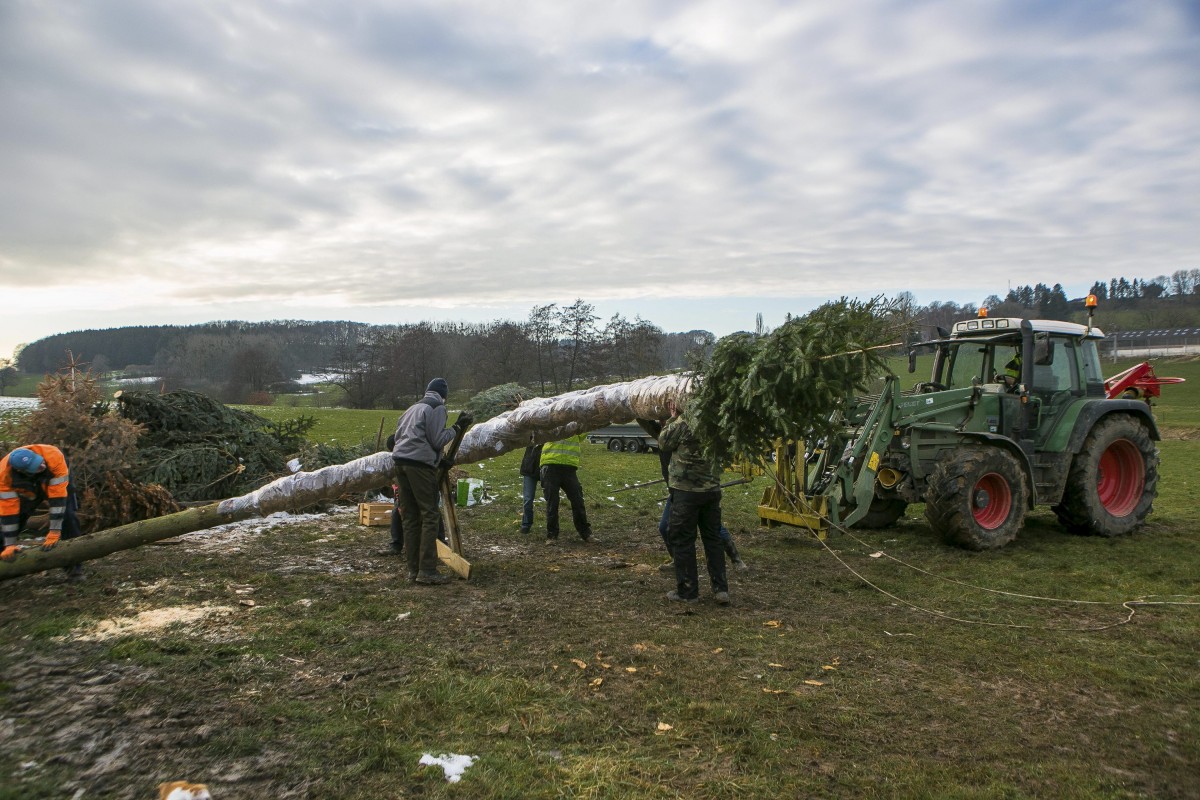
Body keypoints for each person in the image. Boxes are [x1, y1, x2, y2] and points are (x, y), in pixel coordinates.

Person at [636, 418, 745, 570]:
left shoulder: (680, 432)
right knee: (665, 527)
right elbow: (645, 422)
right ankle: (677, 560)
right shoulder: (662, 434)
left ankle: (735, 558)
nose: (661, 420)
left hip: (694, 490)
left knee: (713, 528)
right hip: (678, 491)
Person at [391, 378, 471, 585]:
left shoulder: (412, 408)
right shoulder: (437, 407)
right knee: (429, 514)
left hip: (400, 463)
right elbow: (437, 439)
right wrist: (457, 427)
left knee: (410, 517)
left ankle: (413, 569)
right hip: (419, 465)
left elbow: (397, 437)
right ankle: (427, 570)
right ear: (444, 395)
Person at [658, 399, 729, 605]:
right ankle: (720, 590)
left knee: (683, 541)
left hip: (686, 492)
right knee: (713, 539)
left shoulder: (684, 422)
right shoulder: (717, 422)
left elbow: (663, 442)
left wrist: (673, 417)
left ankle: (688, 592)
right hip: (712, 490)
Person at [1, 444, 84, 582]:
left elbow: (58, 501)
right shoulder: (4, 476)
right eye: (36, 467)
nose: (42, 466)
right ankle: (5, 564)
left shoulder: (53, 457)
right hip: (27, 487)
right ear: (23, 471)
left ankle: (74, 568)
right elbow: (8, 512)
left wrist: (54, 531)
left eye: (39, 462)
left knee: (67, 517)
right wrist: (9, 543)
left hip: (57, 482)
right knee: (5, 523)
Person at [539, 433, 593, 543]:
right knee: (552, 502)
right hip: (550, 465)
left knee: (578, 501)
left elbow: (584, 432)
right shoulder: (551, 422)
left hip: (569, 468)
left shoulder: (576, 424)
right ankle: (552, 535)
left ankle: (586, 533)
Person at [518, 440, 543, 534]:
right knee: (528, 499)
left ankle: (552, 526)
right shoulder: (532, 431)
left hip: (546, 467)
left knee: (551, 499)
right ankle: (526, 524)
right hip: (529, 468)